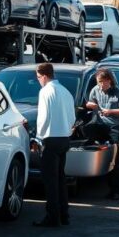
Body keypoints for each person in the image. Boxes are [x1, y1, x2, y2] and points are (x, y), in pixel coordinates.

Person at [34, 62, 76, 227]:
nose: (38, 81)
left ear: (44, 76)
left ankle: (52, 217)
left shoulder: (45, 91)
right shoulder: (65, 91)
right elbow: (72, 118)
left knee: (50, 181)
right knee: (60, 178)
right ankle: (64, 215)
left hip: (50, 139)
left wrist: (38, 137)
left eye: (38, 77)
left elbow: (43, 118)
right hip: (64, 138)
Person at [84, 68, 119, 200]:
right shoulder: (95, 90)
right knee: (87, 129)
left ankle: (115, 191)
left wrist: (110, 111)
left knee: (115, 160)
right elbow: (89, 103)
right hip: (102, 126)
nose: (101, 85)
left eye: (103, 82)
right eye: (99, 82)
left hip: (117, 127)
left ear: (109, 80)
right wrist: (92, 105)